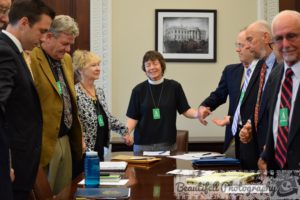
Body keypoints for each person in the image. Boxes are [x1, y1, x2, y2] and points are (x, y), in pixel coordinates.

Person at [0, 0, 54, 199]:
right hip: (11, 170)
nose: (42, 39)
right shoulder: (4, 51)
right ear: (24, 23)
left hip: (22, 168)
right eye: (42, 31)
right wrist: (4, 163)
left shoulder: (16, 52)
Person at [30, 15, 82, 194]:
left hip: (66, 138)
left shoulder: (66, 60)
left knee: (64, 193)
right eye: (64, 44)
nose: (68, 50)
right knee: (45, 193)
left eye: (70, 44)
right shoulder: (32, 58)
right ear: (48, 37)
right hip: (45, 142)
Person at [198, 30, 259, 163]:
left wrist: (233, 120)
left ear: (252, 46)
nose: (237, 50)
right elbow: (219, 95)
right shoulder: (231, 71)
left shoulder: (265, 72)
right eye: (236, 45)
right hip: (232, 140)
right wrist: (204, 106)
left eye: (241, 45)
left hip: (254, 139)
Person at [126, 50, 198, 155]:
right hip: (142, 146)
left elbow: (186, 110)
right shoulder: (138, 90)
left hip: (167, 145)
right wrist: (126, 133)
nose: (152, 68)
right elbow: (133, 118)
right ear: (144, 69)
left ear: (162, 66)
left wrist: (198, 114)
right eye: (148, 65)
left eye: (155, 63)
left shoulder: (174, 87)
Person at [259, 10, 300, 170]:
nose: (285, 44)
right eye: (278, 39)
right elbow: (278, 120)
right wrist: (266, 155)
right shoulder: (276, 74)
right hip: (278, 175)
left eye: (291, 36)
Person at [73, 50, 132, 161]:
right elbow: (74, 123)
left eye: (98, 65)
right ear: (81, 69)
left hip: (100, 150)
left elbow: (107, 117)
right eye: (93, 65)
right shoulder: (75, 93)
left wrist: (124, 131)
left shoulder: (99, 91)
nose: (98, 68)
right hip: (84, 152)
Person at [237, 20, 278, 169]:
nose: (246, 46)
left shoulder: (283, 66)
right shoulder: (261, 66)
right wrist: (250, 124)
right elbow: (261, 104)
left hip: (279, 153)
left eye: (249, 40)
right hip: (259, 151)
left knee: (286, 192)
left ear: (266, 37)